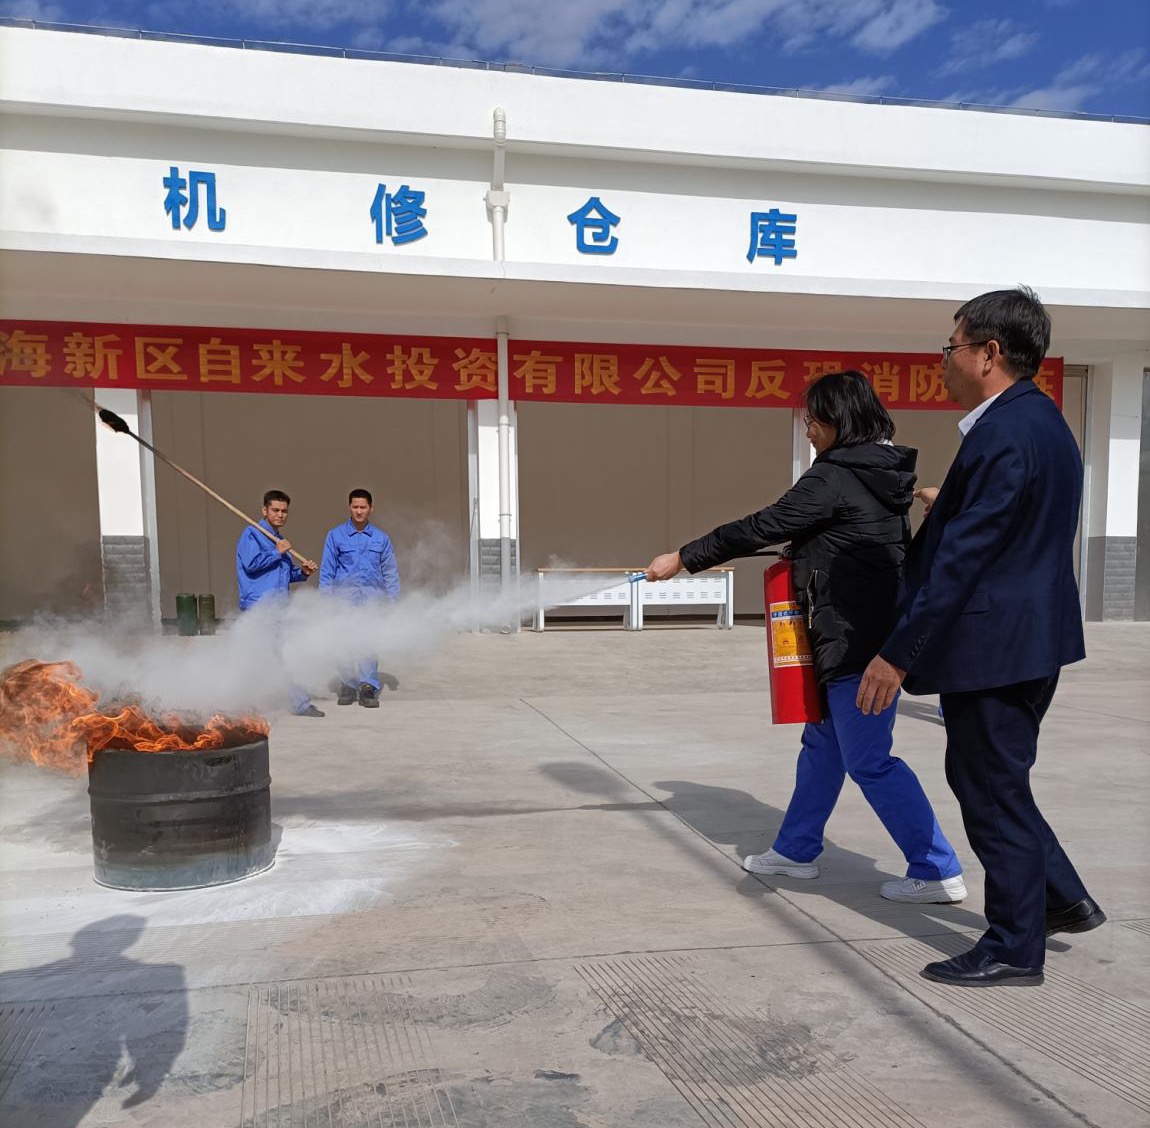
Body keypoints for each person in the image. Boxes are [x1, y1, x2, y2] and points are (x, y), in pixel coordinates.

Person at [858, 286, 1104, 988]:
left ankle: (1014, 947)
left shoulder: (1003, 433)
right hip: (1027, 637)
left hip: (996, 647)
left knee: (990, 788)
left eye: (951, 346)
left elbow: (964, 560)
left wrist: (896, 654)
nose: (943, 360)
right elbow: (1006, 526)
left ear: (989, 352)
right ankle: (1060, 899)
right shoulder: (1039, 422)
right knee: (995, 779)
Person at [645, 371, 965, 903]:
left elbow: (763, 525)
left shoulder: (834, 477)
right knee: (822, 745)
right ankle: (796, 850)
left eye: (814, 420)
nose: (808, 430)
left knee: (869, 761)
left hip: (859, 645)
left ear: (840, 420)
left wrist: (684, 557)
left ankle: (936, 869)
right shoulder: (882, 475)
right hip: (851, 633)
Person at [235, 489, 322, 717]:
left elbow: (284, 575)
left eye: (284, 511)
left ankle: (291, 703)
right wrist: (276, 552)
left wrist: (303, 572)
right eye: (275, 510)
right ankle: (291, 704)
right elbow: (251, 564)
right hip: (258, 607)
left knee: (281, 655)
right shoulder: (252, 534)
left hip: (279, 608)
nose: (280, 515)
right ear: (264, 510)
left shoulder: (280, 540)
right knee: (266, 656)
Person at [319, 488, 401, 708]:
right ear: (349, 507)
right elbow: (327, 571)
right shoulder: (335, 536)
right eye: (355, 507)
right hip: (343, 600)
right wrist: (325, 601)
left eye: (363, 507)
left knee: (368, 642)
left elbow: (390, 572)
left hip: (372, 601)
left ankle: (367, 686)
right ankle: (347, 684)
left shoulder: (381, 539)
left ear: (371, 509)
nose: (358, 511)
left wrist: (392, 601)